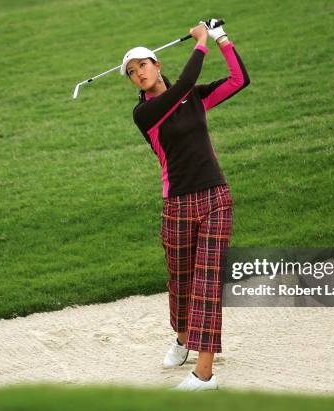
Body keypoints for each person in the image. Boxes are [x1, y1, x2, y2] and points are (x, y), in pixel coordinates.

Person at [121, 19, 250, 391]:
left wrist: (222, 38)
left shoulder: (192, 96)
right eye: (131, 72)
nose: (138, 73)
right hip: (176, 204)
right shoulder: (144, 114)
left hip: (215, 198)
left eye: (143, 65)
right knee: (181, 283)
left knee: (207, 283)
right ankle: (182, 336)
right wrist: (201, 42)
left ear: (157, 64)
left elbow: (239, 80)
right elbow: (183, 85)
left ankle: (204, 375)